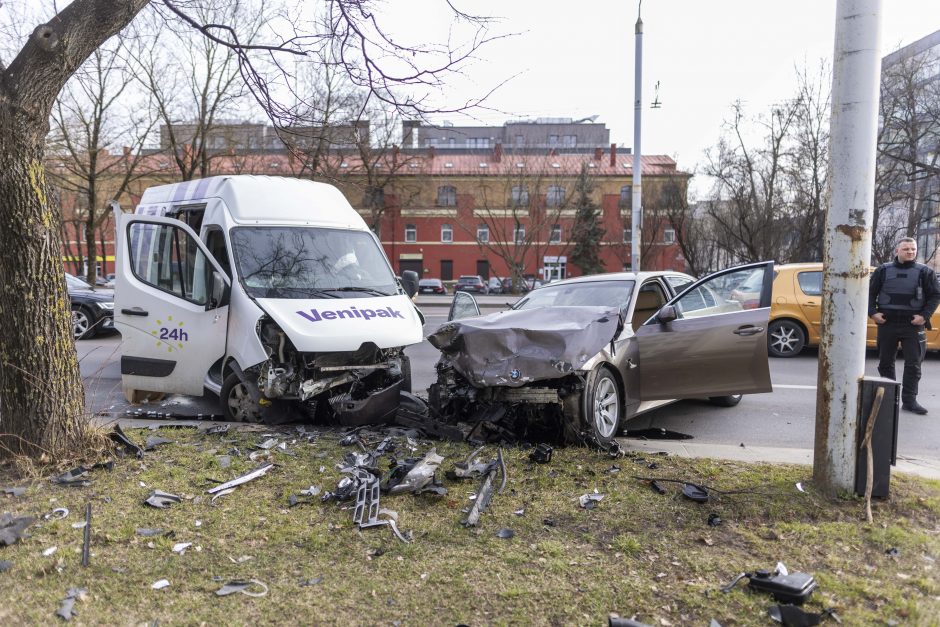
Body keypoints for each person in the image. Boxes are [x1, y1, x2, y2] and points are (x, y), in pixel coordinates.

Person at [868, 237, 940, 414]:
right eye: (906, 249)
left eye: (913, 249)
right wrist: (873, 313)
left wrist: (924, 316)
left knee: (914, 364)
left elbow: (935, 296)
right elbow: (868, 294)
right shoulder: (883, 270)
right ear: (897, 251)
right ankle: (888, 398)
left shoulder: (925, 272)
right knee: (886, 363)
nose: (910, 252)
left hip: (913, 325)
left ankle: (909, 401)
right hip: (888, 323)